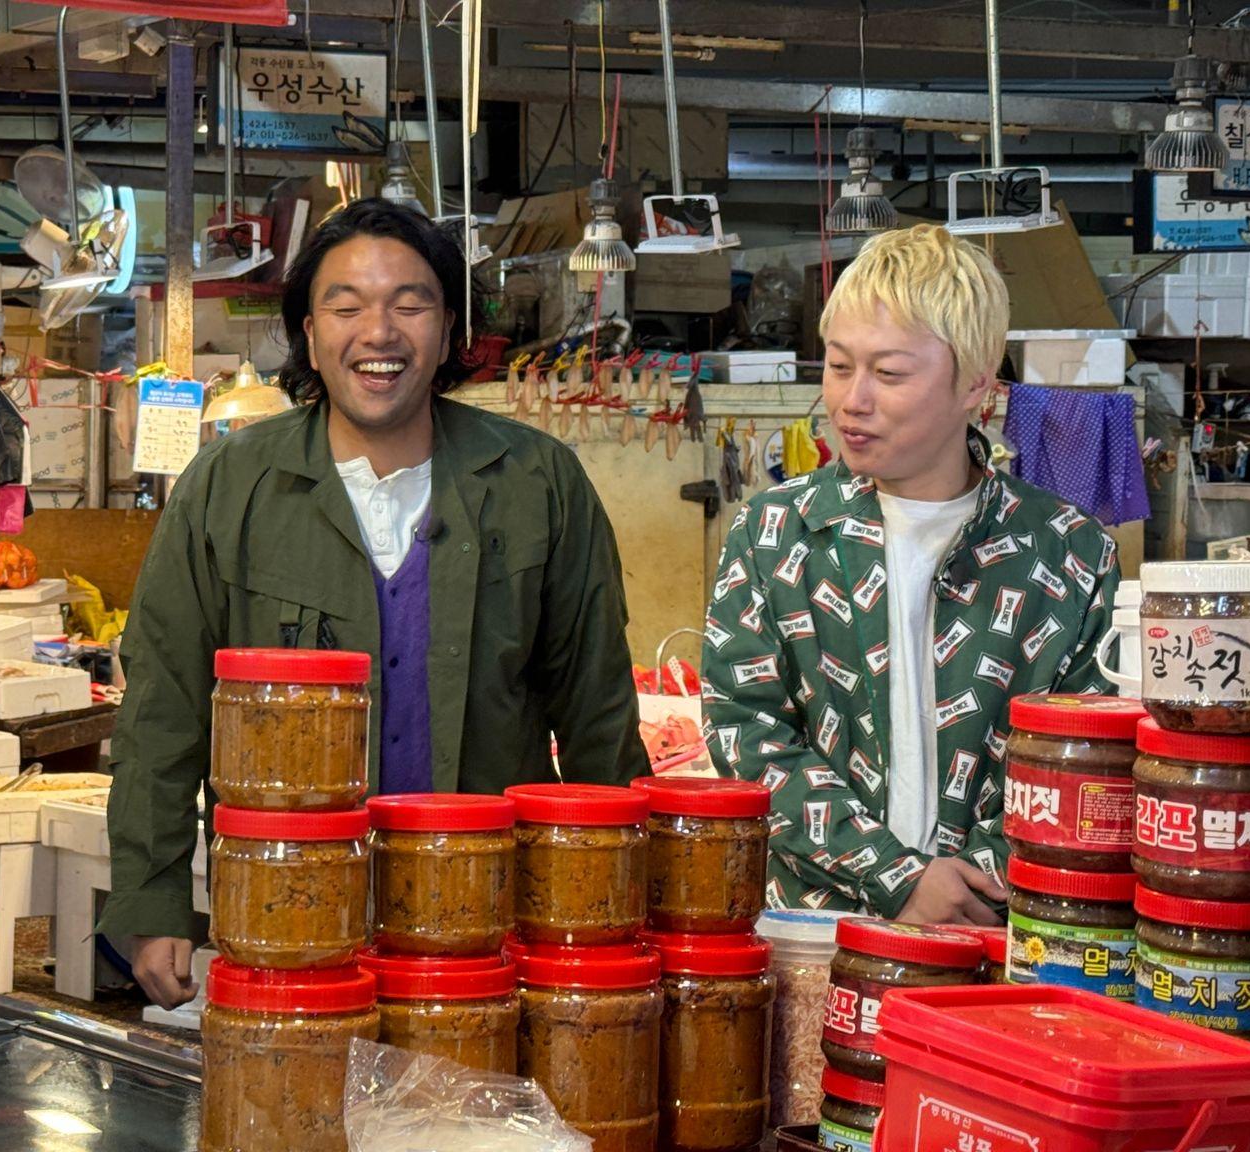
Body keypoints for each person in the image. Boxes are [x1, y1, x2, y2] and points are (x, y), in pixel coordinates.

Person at [104, 199, 649, 1008]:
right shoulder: (229, 487)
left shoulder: (539, 483)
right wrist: (151, 902)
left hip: (487, 920)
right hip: (287, 912)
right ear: (310, 335)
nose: (380, 332)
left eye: (410, 303)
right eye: (346, 305)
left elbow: (599, 714)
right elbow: (163, 708)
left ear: (449, 327)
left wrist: (613, 914)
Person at [701, 224, 1119, 926]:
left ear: (974, 387)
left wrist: (975, 882)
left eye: (889, 374)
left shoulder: (1065, 550)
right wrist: (897, 879)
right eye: (838, 367)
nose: (852, 400)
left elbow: (1087, 759)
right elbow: (746, 733)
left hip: (1005, 929)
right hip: (814, 930)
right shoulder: (776, 532)